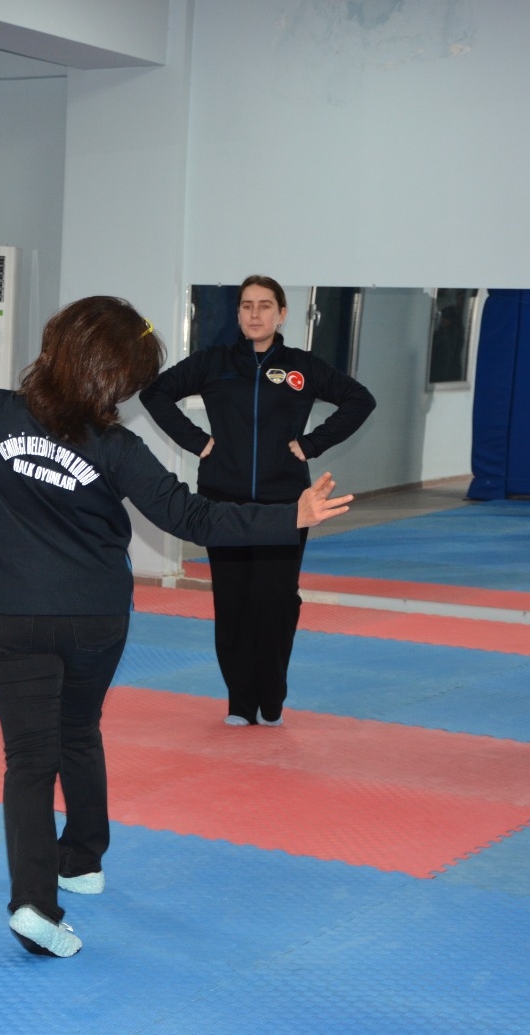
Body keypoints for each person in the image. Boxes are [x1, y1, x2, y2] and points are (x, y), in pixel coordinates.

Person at [0, 292, 353, 958]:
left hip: (12, 620)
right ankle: (83, 859)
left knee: (29, 760)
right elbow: (191, 516)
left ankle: (36, 903)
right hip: (94, 621)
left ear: (56, 347)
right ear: (116, 381)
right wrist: (287, 517)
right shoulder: (117, 447)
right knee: (78, 730)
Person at [139, 275, 374, 725]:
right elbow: (155, 393)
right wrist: (198, 442)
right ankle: (240, 703)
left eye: (265, 305)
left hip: (286, 505)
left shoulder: (301, 366)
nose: (255, 314)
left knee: (277, 602)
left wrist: (312, 444)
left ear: (282, 314)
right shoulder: (214, 362)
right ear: (238, 313)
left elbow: (359, 400)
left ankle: (272, 699)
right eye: (247, 305)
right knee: (232, 604)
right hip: (221, 503)